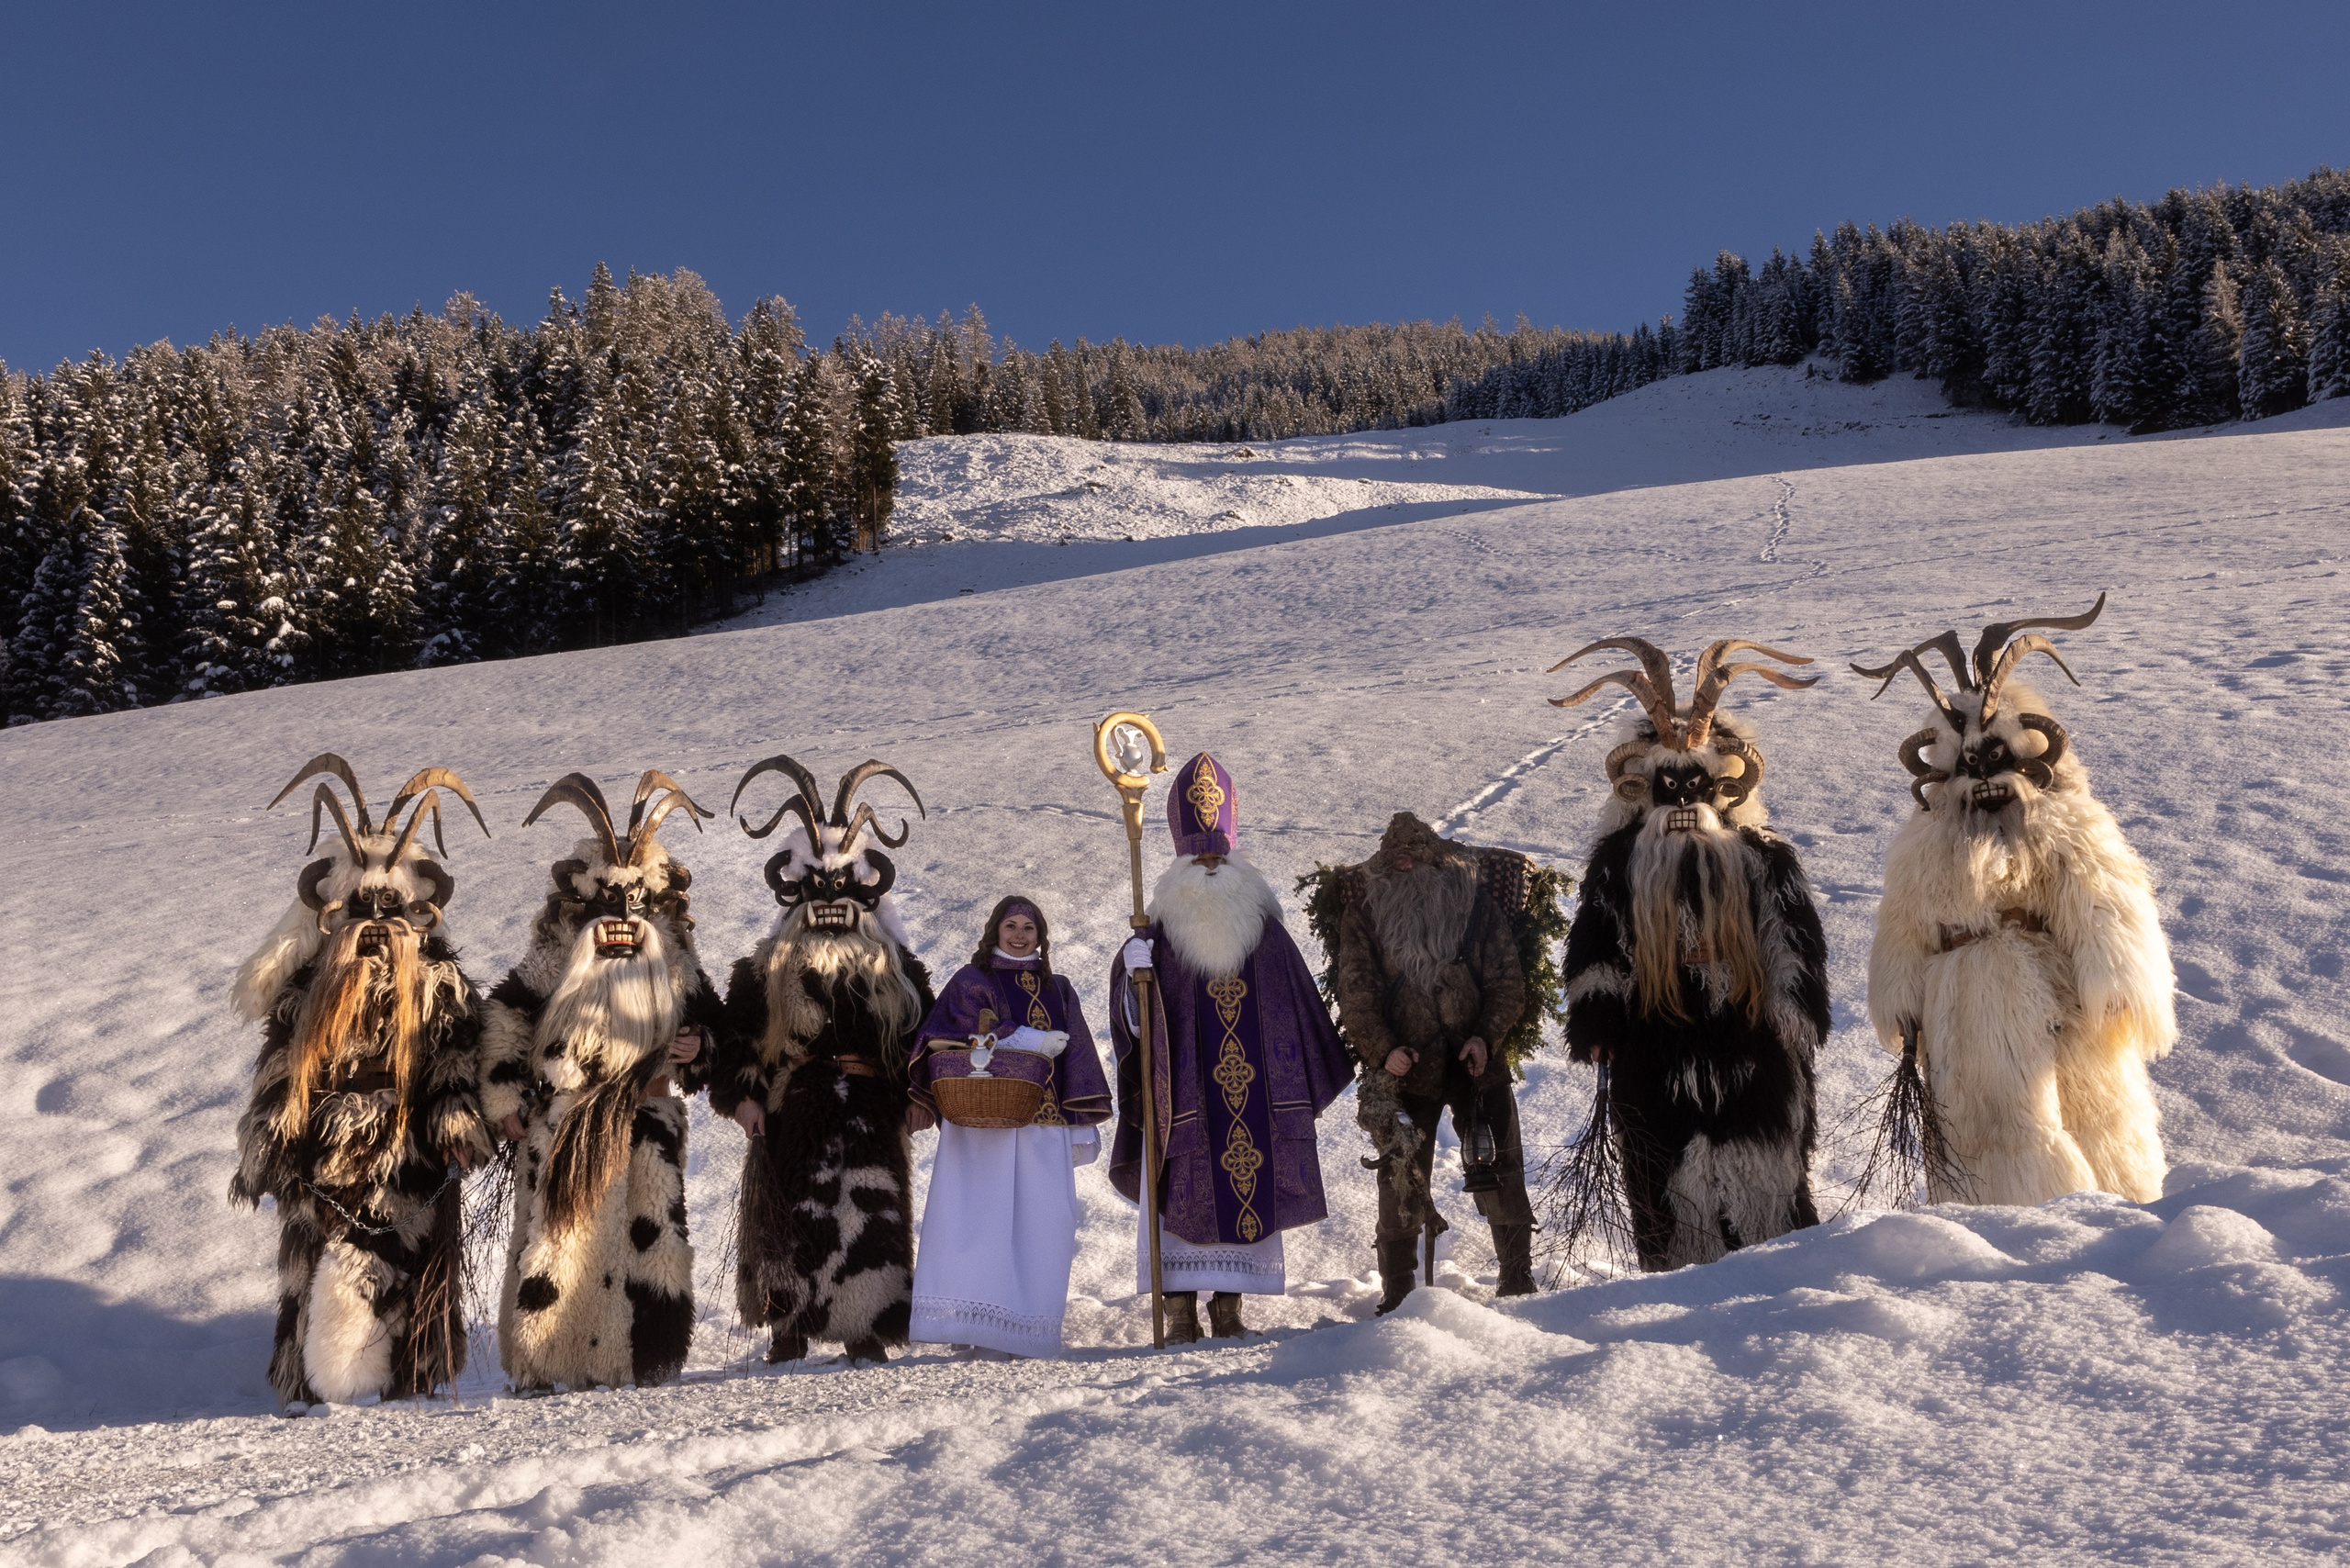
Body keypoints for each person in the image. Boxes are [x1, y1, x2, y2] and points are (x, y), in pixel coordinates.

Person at [1856, 598, 2175, 1204]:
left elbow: (2105, 899)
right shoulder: (1926, 837)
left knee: (2071, 1115)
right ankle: (1985, 1234)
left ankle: (2103, 1226)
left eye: (1995, 758)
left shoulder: (2065, 819)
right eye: (1968, 761)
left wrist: (2113, 976)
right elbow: (1903, 922)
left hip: (2046, 997)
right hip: (1955, 1010)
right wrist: (1898, 996)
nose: (1982, 776)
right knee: (1970, 1132)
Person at [1553, 638, 1830, 1271]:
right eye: (1667, 787)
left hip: (1749, 1038)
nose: (1682, 802)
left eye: (1695, 785)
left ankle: (1782, 1273)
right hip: (1655, 1039)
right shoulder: (1618, 863)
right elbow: (1596, 947)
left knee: (1763, 1164)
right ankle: (1678, 1284)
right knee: (1667, 1173)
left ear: (1723, 785)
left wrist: (1791, 1008)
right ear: (1643, 788)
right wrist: (1599, 1022)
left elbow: (1793, 940)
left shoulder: (1762, 857)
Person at [228, 756, 491, 1409]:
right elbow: (281, 1069)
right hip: (325, 1149)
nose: (375, 923)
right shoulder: (307, 991)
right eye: (360, 908)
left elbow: (454, 1059)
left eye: (390, 907)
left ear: (416, 910)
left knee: (412, 1260)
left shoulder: (439, 985)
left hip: (409, 1148)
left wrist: (456, 1119)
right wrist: (272, 1139)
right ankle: (308, 1384)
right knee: (317, 1258)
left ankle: (412, 1377)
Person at [478, 770, 722, 1393]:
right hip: (568, 1119)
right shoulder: (559, 948)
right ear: (586, 895)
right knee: (561, 1240)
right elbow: (507, 1014)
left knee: (650, 1241)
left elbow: (714, 1025)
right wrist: (504, 1098)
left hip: (647, 1120)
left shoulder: (672, 954)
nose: (622, 914)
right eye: (609, 899)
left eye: (635, 899)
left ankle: (639, 1359)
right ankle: (544, 1361)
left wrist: (698, 1046)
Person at [1108, 752, 1354, 1342]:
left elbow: (1300, 1009)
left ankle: (1228, 1308)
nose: (1211, 866)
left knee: (1250, 1186)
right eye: (1200, 858)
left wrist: (1299, 1082)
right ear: (1181, 863)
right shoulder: (1157, 938)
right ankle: (1179, 1310)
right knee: (1180, 1193)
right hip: (1184, 1096)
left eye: (1219, 856)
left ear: (1236, 859)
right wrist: (1130, 974)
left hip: (1256, 1099)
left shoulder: (1266, 934)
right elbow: (1135, 1029)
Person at [713, 756, 936, 1365]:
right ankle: (789, 1325)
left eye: (842, 887)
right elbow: (736, 1038)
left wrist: (920, 1094)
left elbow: (925, 1035)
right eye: (817, 889)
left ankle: (867, 1323)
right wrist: (743, 1098)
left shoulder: (896, 969)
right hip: (795, 1105)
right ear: (796, 892)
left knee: (871, 1210)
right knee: (792, 1210)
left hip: (871, 1107)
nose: (829, 902)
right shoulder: (765, 967)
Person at [1335, 812, 1534, 1312]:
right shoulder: (1365, 914)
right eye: (1395, 861)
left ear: (1437, 860)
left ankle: (1517, 1276)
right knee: (1399, 1175)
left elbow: (1508, 981)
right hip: (1406, 1070)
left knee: (1500, 1163)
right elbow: (1356, 991)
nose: (1405, 867)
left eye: (1415, 857)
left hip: (1475, 1065)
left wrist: (1486, 1037)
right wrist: (1384, 1050)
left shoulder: (1475, 906)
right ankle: (1398, 1290)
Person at [905, 897, 1113, 1357]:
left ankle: (1025, 1327)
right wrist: (1028, 1039)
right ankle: (973, 1324)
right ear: (994, 930)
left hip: (1043, 1123)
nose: (1019, 935)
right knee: (980, 1220)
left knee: (1043, 1224)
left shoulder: (1059, 988)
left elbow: (1078, 1054)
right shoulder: (972, 980)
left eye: (1029, 928)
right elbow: (947, 1032)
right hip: (982, 1123)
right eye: (1011, 925)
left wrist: (1079, 1124)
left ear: (1041, 935)